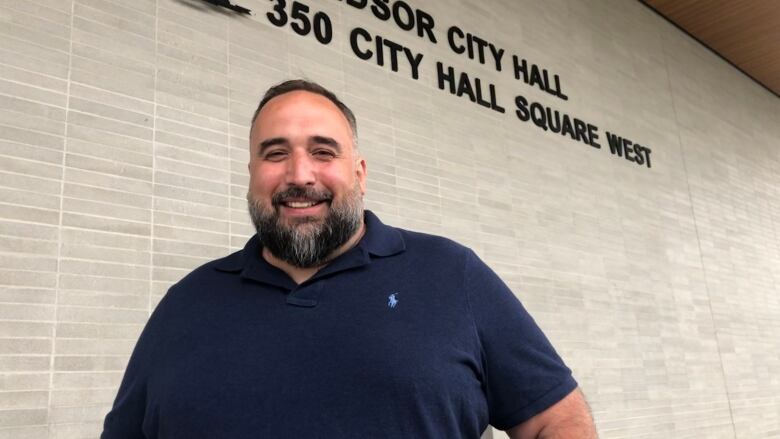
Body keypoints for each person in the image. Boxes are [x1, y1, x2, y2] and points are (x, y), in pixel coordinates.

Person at [101, 79, 598, 438]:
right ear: (252, 173)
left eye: (323, 151)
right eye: (275, 154)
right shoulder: (184, 304)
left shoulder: (450, 274)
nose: (299, 174)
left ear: (359, 172)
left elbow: (554, 420)